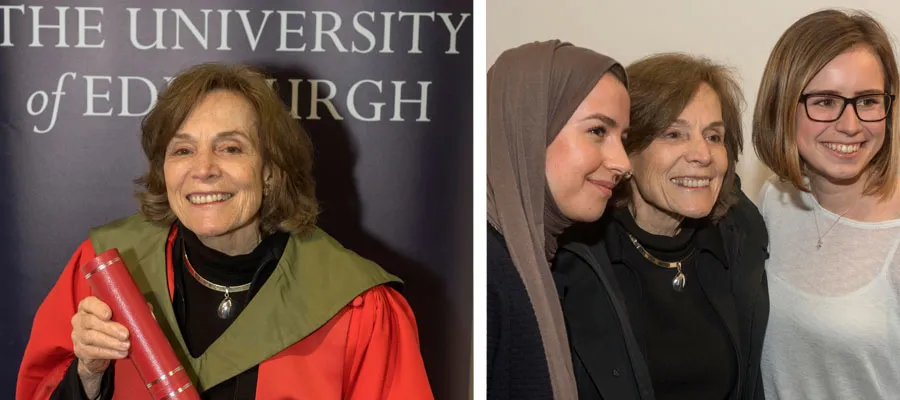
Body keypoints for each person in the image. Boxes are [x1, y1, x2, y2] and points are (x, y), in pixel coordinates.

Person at [16, 63, 434, 400]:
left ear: (271, 172)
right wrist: (88, 376)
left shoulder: (357, 306)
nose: (203, 169)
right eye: (182, 150)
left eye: (230, 148)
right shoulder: (104, 271)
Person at [554, 53, 770, 400]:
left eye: (714, 136)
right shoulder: (571, 259)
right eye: (673, 134)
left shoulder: (740, 238)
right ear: (627, 149)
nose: (702, 154)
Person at [752, 9, 900, 400]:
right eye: (825, 101)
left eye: (867, 101)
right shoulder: (773, 200)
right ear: (783, 106)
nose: (850, 125)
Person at [486, 40, 632, 400]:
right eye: (598, 131)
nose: (624, 163)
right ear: (530, 127)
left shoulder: (536, 258)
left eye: (623, 138)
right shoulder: (486, 275)